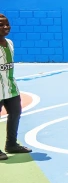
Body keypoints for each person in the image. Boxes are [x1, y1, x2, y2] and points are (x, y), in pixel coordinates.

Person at [0, 14, 32, 161]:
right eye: (2, 25)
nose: (6, 27)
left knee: (15, 113)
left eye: (7, 24)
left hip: (11, 87)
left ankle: (11, 144)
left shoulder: (10, 43)